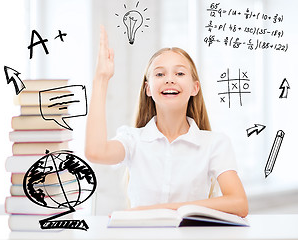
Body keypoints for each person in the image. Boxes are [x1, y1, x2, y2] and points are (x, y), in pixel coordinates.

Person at [85, 26, 248, 218]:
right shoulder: (133, 140)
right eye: (160, 74)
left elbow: (239, 203)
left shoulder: (215, 144)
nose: (169, 79)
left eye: (179, 73)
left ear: (195, 88)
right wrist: (101, 79)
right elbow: (95, 152)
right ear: (148, 89)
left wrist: (157, 211)